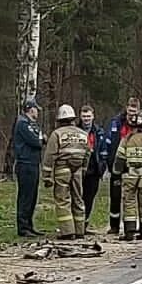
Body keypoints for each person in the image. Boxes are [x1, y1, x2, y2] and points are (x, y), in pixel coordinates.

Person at [42, 104, 92, 240]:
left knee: (63, 200)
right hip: (78, 171)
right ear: (73, 119)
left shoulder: (57, 134)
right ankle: (80, 230)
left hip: (62, 170)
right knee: (78, 199)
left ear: (59, 120)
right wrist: (83, 169)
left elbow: (49, 156)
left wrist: (46, 177)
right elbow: (88, 153)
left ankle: (67, 232)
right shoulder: (83, 134)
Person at [100, 96, 142, 235]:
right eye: (130, 110)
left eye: (134, 111)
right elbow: (110, 143)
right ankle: (114, 226)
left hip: (135, 166)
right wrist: (109, 164)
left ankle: (133, 227)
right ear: (126, 108)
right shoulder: (116, 122)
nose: (132, 113)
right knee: (115, 197)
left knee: (133, 198)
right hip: (117, 164)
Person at [112, 122, 142, 241]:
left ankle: (129, 232)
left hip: (130, 175)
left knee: (129, 202)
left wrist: (117, 174)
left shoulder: (127, 139)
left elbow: (120, 158)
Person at [11, 99, 44, 238]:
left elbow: (40, 137)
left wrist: (41, 138)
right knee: (25, 196)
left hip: (33, 163)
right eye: (36, 109)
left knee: (32, 196)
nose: (38, 112)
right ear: (31, 109)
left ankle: (29, 225)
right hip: (25, 164)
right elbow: (36, 141)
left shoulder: (31, 124)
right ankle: (23, 227)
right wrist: (41, 139)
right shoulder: (23, 124)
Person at [78, 104, 105, 232]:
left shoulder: (99, 132)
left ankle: (85, 223)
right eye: (84, 116)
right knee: (77, 197)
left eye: (88, 116)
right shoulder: (76, 130)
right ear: (80, 117)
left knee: (89, 198)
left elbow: (104, 151)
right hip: (78, 169)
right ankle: (77, 224)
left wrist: (102, 167)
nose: (86, 119)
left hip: (94, 170)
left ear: (93, 116)